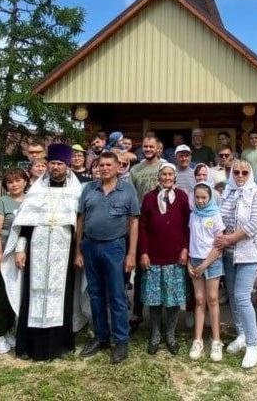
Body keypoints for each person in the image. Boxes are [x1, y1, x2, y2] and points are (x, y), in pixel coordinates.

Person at [0, 145, 84, 361]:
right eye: (53, 163)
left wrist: (78, 251)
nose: (56, 167)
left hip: (63, 251)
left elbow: (80, 225)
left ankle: (59, 345)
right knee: (33, 294)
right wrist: (20, 249)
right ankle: (31, 346)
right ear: (47, 165)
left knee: (61, 296)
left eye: (60, 164)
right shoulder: (36, 191)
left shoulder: (76, 192)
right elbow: (25, 225)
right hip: (36, 251)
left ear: (67, 166)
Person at [75, 151, 140, 364]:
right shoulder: (89, 190)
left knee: (117, 297)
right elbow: (81, 221)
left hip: (115, 247)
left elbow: (134, 223)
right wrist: (78, 250)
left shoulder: (127, 190)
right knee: (95, 295)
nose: (104, 168)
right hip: (90, 246)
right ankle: (101, 337)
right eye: (101, 165)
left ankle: (121, 340)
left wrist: (131, 253)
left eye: (108, 165)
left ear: (117, 167)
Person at [214, 159, 257, 369]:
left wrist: (230, 238)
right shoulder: (226, 193)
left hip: (249, 254)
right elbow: (218, 218)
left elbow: (255, 224)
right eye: (236, 172)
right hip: (229, 254)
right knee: (234, 299)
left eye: (245, 172)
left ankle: (254, 346)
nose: (240, 176)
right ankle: (242, 335)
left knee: (242, 297)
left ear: (250, 174)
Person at [138, 162, 190, 355]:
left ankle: (170, 334)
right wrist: (143, 252)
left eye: (170, 174)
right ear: (158, 177)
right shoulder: (149, 198)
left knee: (173, 299)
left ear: (174, 177)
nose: (167, 178)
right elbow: (142, 227)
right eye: (164, 174)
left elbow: (187, 226)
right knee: (155, 299)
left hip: (175, 257)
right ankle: (155, 334)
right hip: (153, 256)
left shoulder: (183, 197)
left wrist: (185, 249)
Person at [0, 167, 28, 354]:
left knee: (18, 294)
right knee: (1, 296)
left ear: (25, 181)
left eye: (18, 180)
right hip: (5, 255)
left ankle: (10, 330)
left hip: (24, 256)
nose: (14, 184)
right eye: (10, 182)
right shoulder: (2, 202)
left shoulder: (31, 201)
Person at [186, 183, 226, 361]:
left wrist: (204, 265)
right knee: (199, 300)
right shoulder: (193, 215)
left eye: (204, 197)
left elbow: (219, 246)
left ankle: (217, 341)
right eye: (198, 197)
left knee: (212, 299)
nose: (200, 201)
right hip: (195, 260)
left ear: (210, 198)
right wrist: (189, 261)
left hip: (212, 261)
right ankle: (198, 339)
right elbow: (190, 239)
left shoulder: (216, 216)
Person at [128, 136, 163, 332]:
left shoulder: (164, 168)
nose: (148, 149)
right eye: (146, 146)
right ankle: (137, 313)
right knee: (142, 269)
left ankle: (160, 316)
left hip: (162, 223)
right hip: (142, 223)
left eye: (152, 146)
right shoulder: (135, 170)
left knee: (161, 267)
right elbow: (132, 198)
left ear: (158, 149)